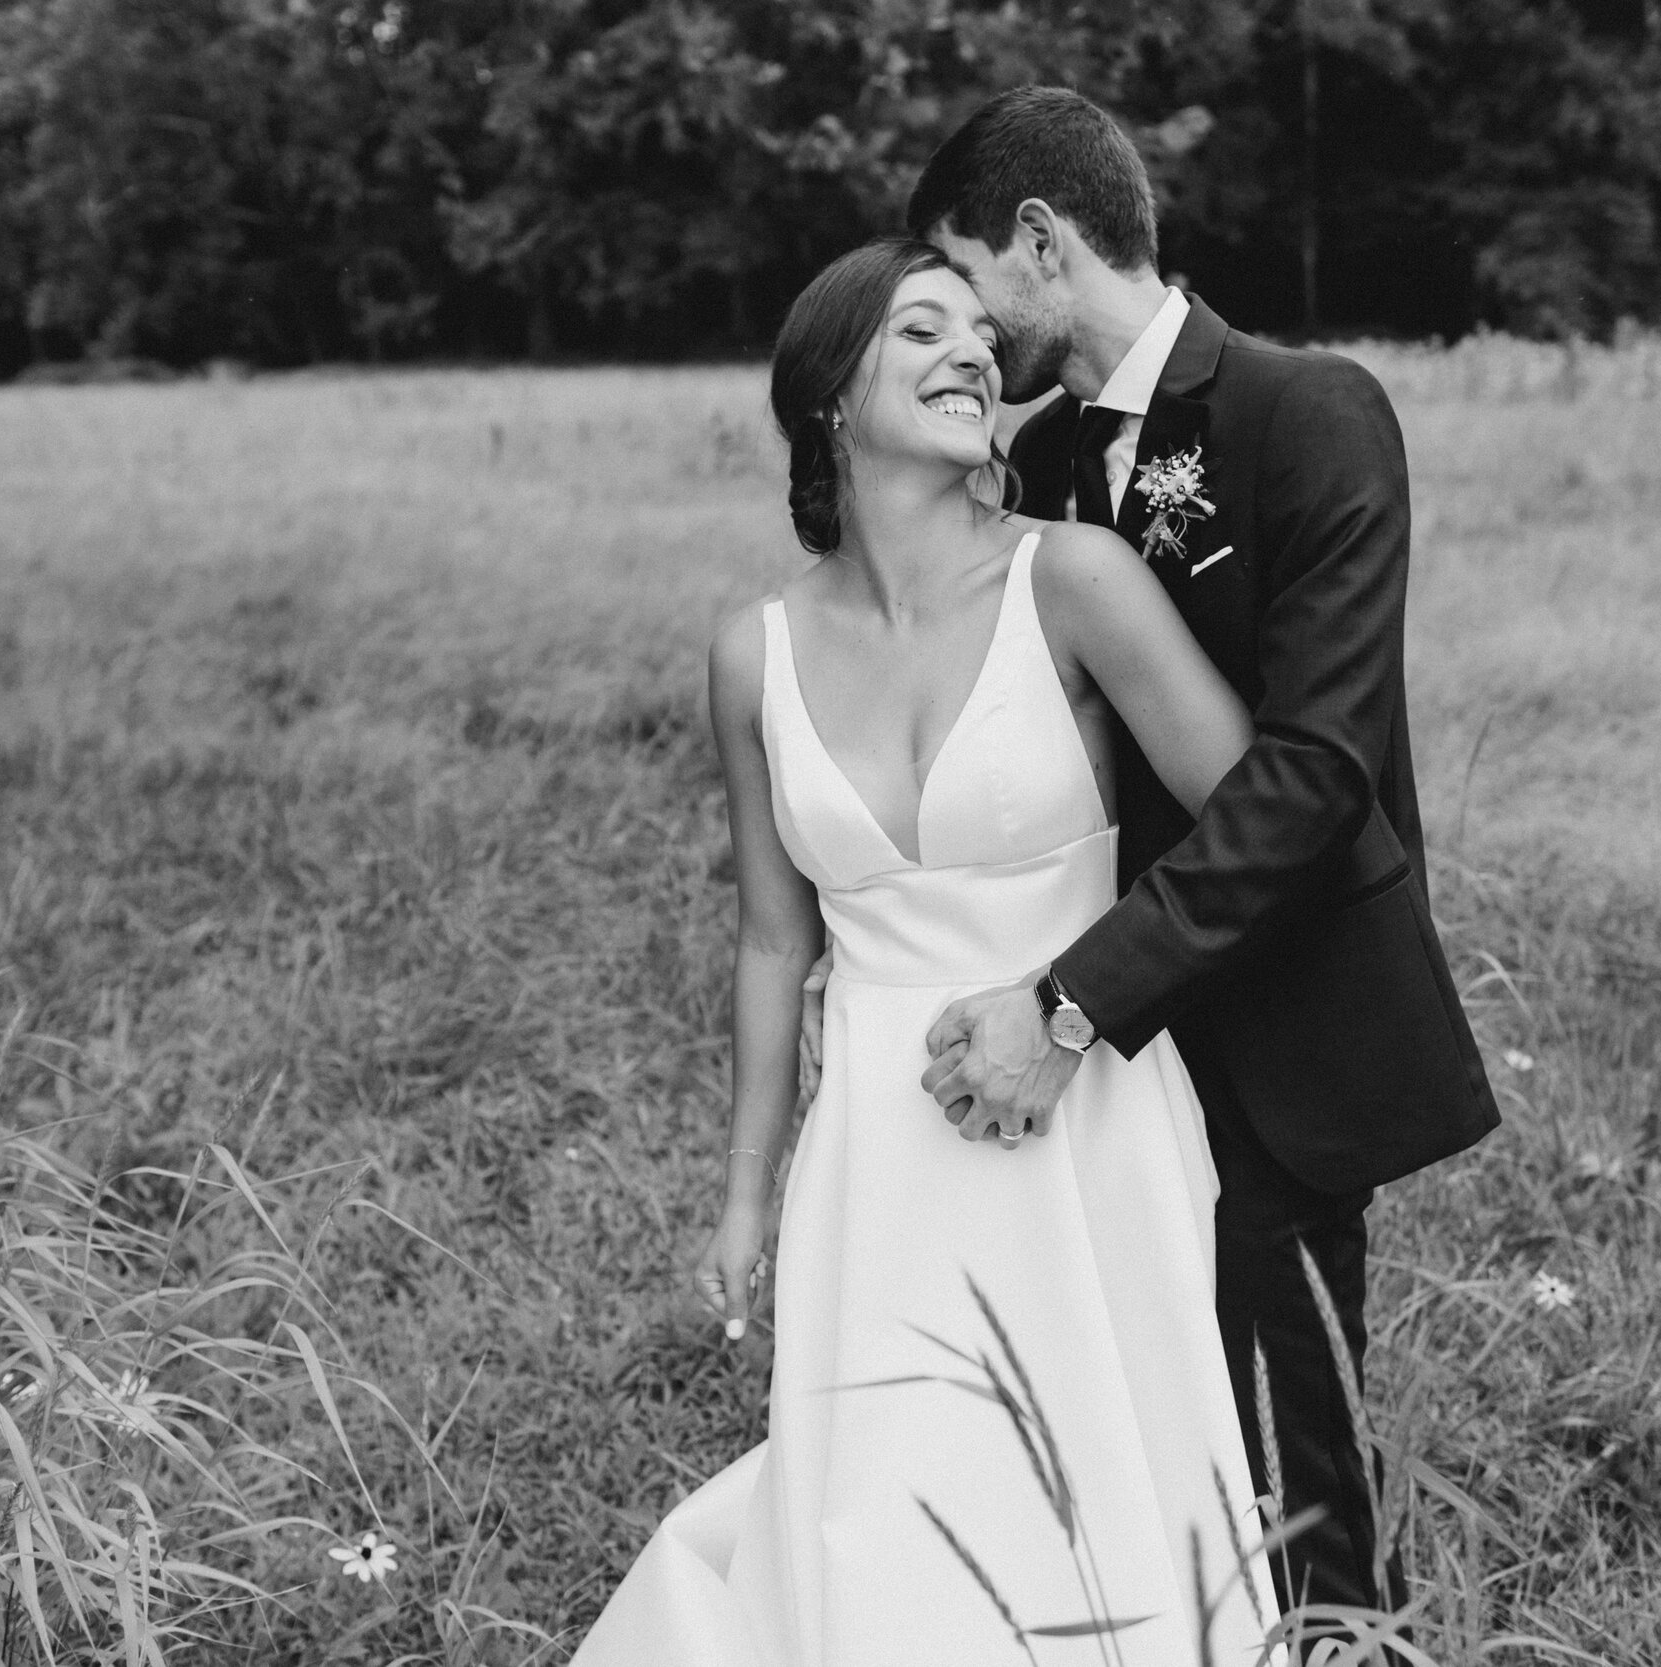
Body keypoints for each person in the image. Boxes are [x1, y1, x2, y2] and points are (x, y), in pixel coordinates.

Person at [572, 238, 1273, 1664]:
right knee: (888, 1507)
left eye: (976, 333)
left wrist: (1080, 1007)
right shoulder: (749, 654)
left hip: (1088, 1110)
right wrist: (745, 1199)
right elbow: (776, 942)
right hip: (878, 1146)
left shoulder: (1071, 579)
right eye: (919, 329)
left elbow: (1256, 817)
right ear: (831, 395)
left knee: (1107, 1487)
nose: (971, 353)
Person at [901, 87, 1503, 1616]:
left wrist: (1071, 1000)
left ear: (1039, 241)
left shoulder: (1311, 412)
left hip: (1272, 1018)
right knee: (1118, 1412)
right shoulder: (1025, 466)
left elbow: (1315, 775)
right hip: (1093, 1050)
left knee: (1297, 1452)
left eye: (960, 278)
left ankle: (1344, 1647)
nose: (963, 331)